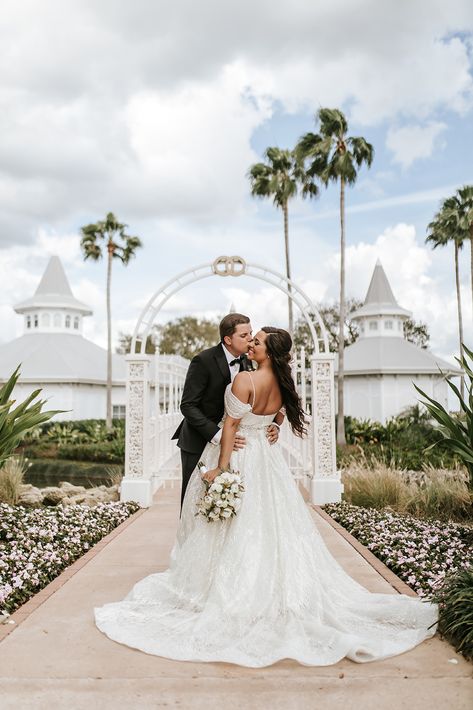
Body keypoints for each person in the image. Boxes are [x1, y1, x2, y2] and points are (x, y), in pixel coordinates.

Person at [94, 326, 438, 667]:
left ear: (268, 352)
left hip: (242, 455)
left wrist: (222, 468)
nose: (251, 344)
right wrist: (273, 423)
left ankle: (233, 590)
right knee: (271, 522)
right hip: (267, 460)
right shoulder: (280, 382)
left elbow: (230, 426)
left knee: (237, 521)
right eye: (250, 338)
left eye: (257, 341)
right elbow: (282, 409)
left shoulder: (246, 380)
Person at [171, 313, 280, 511]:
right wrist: (219, 434)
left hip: (236, 446)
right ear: (228, 339)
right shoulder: (203, 360)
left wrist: (274, 424)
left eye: (251, 334)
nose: (250, 339)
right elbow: (188, 405)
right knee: (193, 500)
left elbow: (263, 401)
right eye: (244, 335)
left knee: (230, 500)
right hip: (199, 440)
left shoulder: (249, 361)